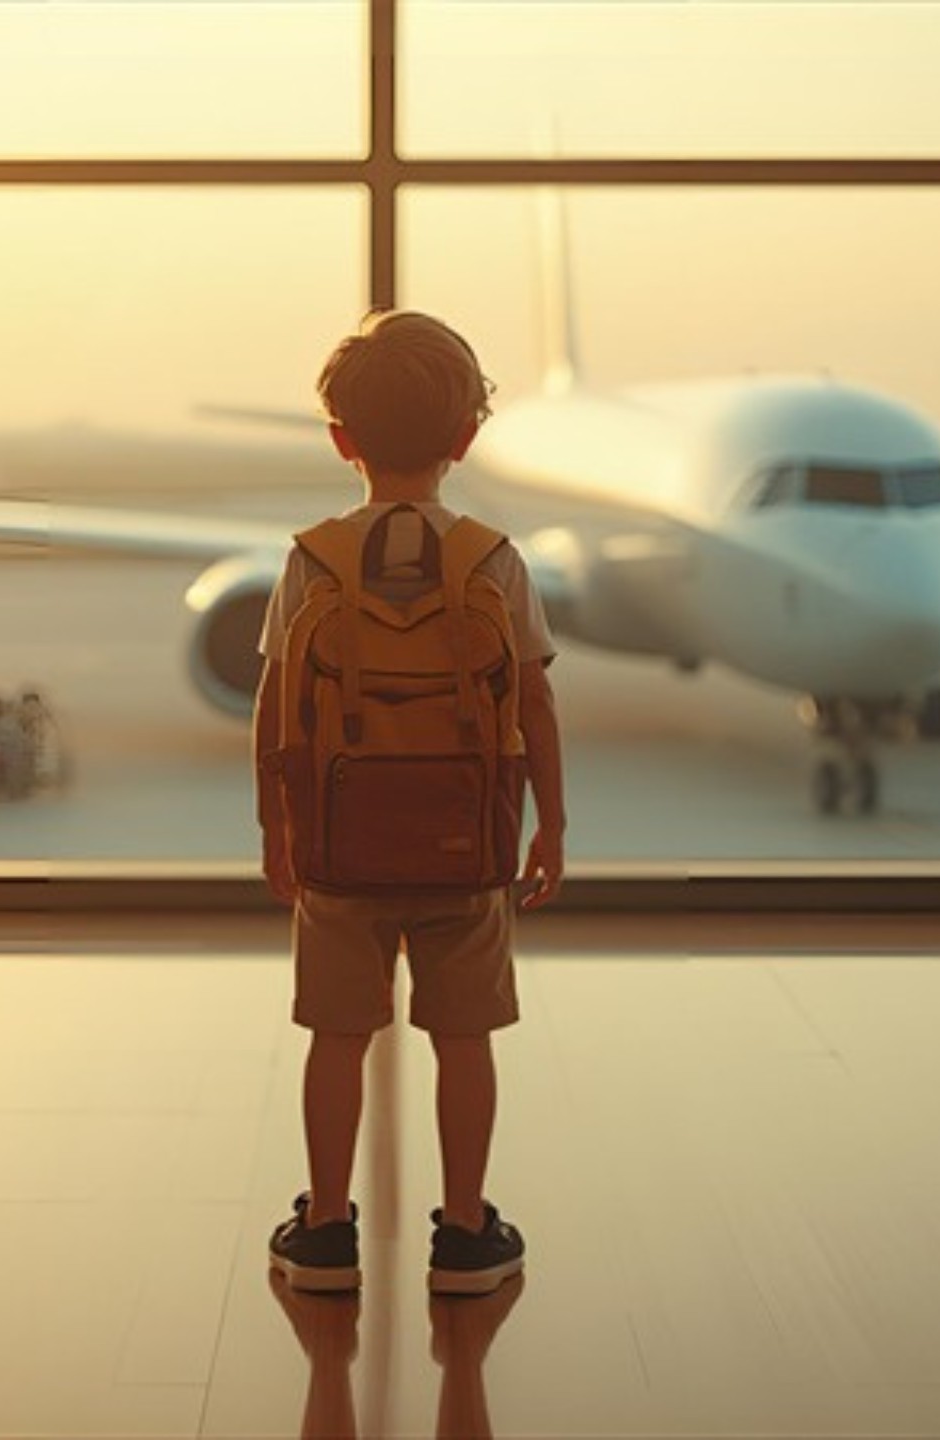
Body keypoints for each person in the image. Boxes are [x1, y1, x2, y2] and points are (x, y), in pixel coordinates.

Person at [255, 309, 567, 1296]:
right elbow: (536, 701)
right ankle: (468, 1233)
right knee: (462, 1039)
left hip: (339, 850)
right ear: (465, 438)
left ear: (339, 438)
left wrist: (279, 832)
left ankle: (325, 1231)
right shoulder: (493, 560)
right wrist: (547, 827)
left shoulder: (311, 560)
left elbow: (274, 713)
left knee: (337, 1039)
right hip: (465, 848)